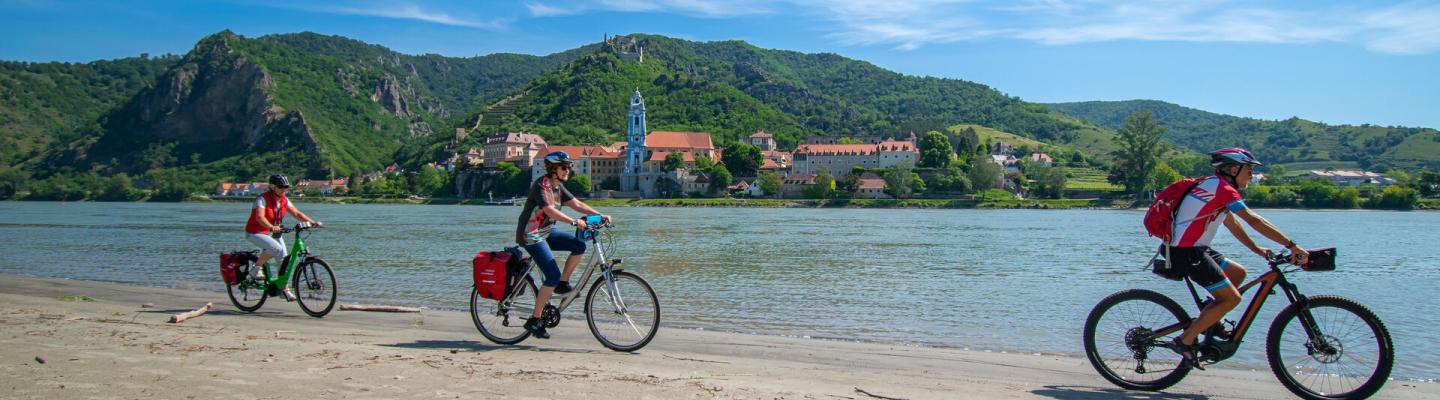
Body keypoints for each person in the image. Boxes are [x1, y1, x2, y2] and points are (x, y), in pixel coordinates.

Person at [1167, 148, 1308, 369]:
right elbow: (1254, 220)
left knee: (1238, 273)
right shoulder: (1222, 189)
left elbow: (1233, 223)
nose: (1251, 175)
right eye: (1249, 170)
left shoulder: (1214, 186)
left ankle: (1210, 319)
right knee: (1232, 299)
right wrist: (1291, 246)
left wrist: (1256, 249)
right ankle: (1184, 341)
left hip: (1195, 249)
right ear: (1233, 170)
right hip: (1187, 252)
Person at [515, 151, 610, 339]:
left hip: (546, 232)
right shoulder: (542, 185)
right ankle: (534, 320)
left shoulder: (558, 187)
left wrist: (600, 215)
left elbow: (577, 204)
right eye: (564, 167)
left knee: (579, 246)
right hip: (531, 235)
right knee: (552, 275)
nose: (568, 171)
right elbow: (549, 210)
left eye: (569, 167)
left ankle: (562, 284)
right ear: (553, 169)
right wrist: (574, 221)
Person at [244, 174, 322, 301]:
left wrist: (312, 222)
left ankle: (283, 289)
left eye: (286, 187)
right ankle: (256, 268)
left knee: (284, 260)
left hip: (274, 232)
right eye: (281, 187)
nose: (284, 189)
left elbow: (297, 213)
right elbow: (260, 217)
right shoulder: (262, 199)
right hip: (255, 232)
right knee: (275, 248)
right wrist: (271, 227)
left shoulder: (284, 200)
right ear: (272, 187)